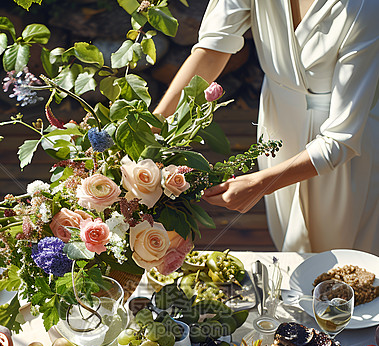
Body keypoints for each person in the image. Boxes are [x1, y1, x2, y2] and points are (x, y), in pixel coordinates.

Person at [154, 0, 379, 253]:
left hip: (344, 141)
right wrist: (154, 126)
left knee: (343, 255)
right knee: (288, 239)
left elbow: (341, 138)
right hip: (278, 121)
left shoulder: (364, 7)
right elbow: (213, 48)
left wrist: (260, 185)